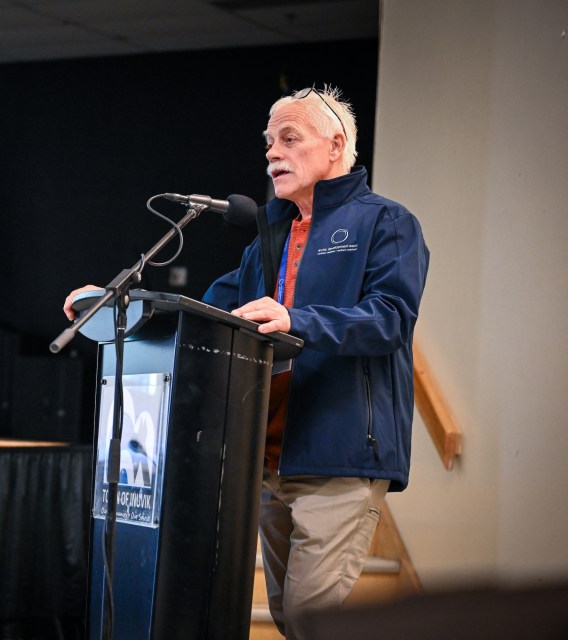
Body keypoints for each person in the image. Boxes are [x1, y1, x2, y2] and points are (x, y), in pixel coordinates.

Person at [63, 85, 429, 639]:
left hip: (340, 455)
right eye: (268, 142)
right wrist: (118, 303)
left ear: (335, 145)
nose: (271, 152)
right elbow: (209, 310)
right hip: (265, 457)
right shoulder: (267, 237)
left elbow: (391, 319)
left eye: (288, 138)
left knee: (312, 619)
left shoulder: (387, 224)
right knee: (288, 618)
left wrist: (297, 319)